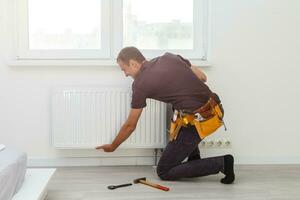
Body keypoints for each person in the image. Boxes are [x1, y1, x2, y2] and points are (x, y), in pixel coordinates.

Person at [95, 46, 235, 184]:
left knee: (164, 171)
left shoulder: (140, 85)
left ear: (133, 63)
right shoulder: (170, 57)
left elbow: (130, 125)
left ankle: (222, 163)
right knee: (176, 108)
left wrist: (113, 146)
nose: (125, 74)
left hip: (201, 121)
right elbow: (203, 78)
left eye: (124, 69)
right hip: (215, 109)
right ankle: (194, 160)